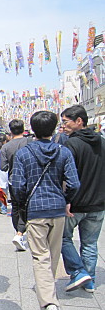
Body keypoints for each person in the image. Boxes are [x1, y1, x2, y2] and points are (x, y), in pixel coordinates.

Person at [11, 111, 80, 310]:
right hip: (58, 208)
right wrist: (67, 199)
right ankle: (49, 293)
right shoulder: (63, 152)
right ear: (53, 129)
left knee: (40, 256)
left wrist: (22, 205)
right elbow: (75, 183)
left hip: (35, 210)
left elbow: (18, 186)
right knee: (53, 253)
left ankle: (49, 302)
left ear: (32, 129)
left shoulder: (24, 154)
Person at [60, 105, 105, 293]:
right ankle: (90, 280)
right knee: (90, 242)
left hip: (76, 202)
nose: (63, 126)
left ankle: (78, 272)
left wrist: (66, 198)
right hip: (98, 202)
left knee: (63, 238)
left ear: (79, 121)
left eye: (66, 122)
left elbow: (66, 175)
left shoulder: (72, 144)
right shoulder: (102, 142)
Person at [0, 119, 32, 251]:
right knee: (26, 206)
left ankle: (18, 232)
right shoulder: (30, 142)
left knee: (16, 207)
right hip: (29, 179)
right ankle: (21, 232)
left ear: (10, 131)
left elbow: (3, 167)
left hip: (13, 180)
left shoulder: (6, 147)